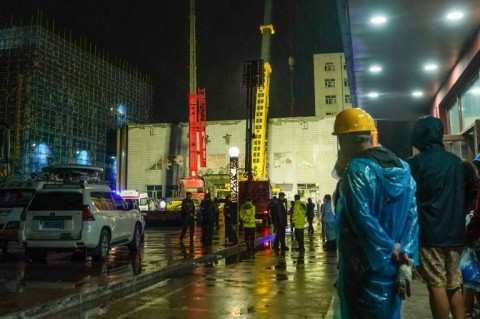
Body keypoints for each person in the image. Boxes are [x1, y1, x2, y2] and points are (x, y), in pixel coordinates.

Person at [333, 108, 419, 318]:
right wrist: (407, 255)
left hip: (364, 268)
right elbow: (412, 216)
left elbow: (362, 219)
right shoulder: (403, 168)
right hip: (395, 267)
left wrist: (389, 248)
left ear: (346, 140)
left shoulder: (357, 170)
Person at [407, 115, 467, 319]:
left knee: (436, 285)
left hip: (431, 234)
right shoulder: (456, 162)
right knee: (454, 283)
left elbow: (408, 200)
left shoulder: (415, 164)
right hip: (457, 235)